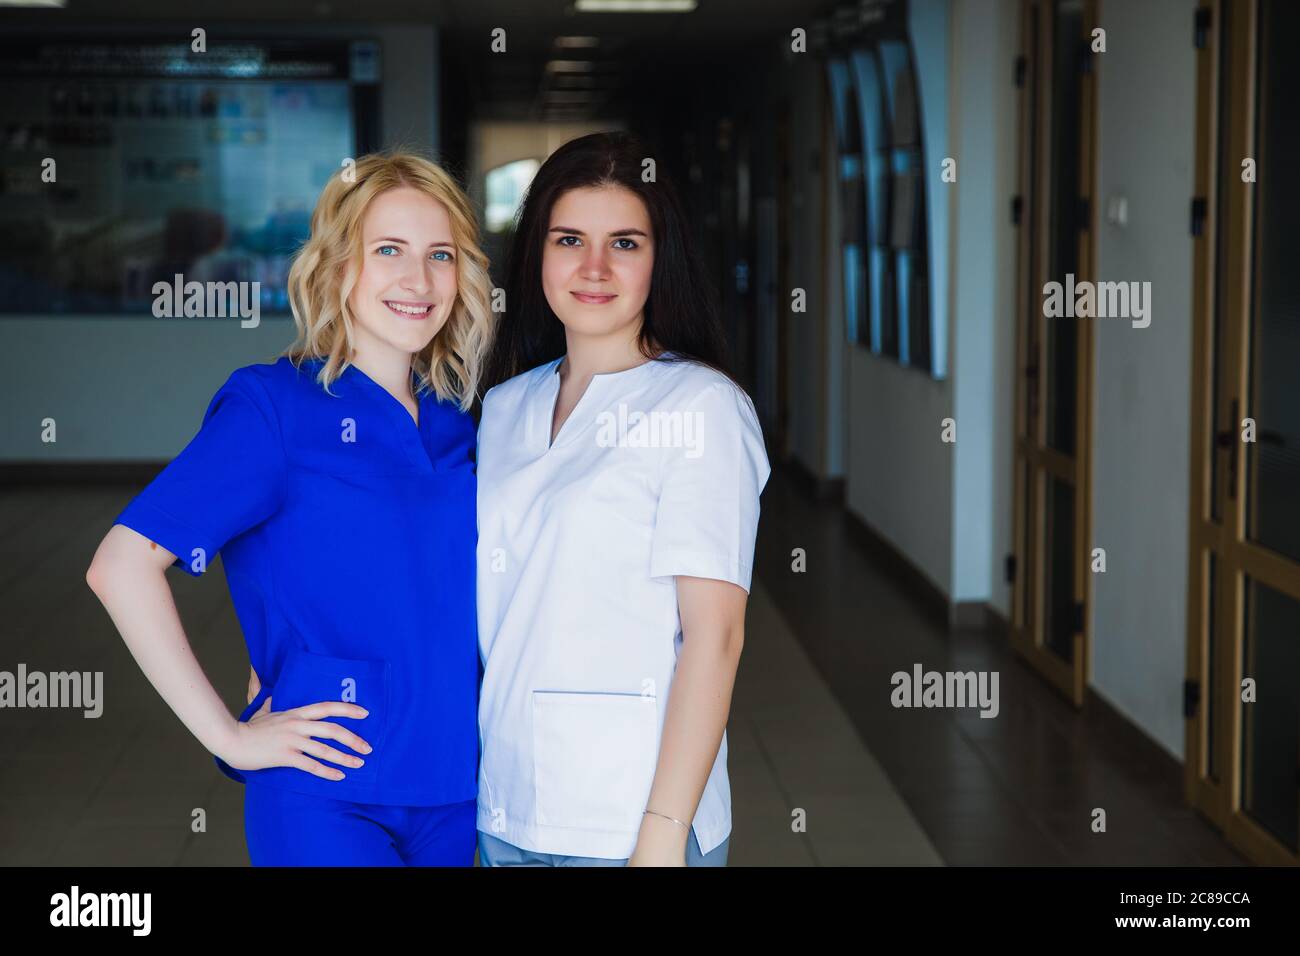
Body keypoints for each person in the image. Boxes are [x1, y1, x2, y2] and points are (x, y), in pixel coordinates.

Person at [85, 151, 495, 866]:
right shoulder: (272, 409)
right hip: (327, 794)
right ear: (340, 267)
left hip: (462, 786)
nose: (418, 280)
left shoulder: (456, 420)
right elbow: (120, 566)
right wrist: (228, 735)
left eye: (441, 255)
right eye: (388, 251)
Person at [475, 131, 770, 867]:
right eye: (569, 238)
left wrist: (663, 836)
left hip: (629, 824)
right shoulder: (505, 406)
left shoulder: (699, 406)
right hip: (504, 807)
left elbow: (717, 637)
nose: (594, 267)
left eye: (626, 243)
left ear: (659, 258)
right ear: (536, 253)